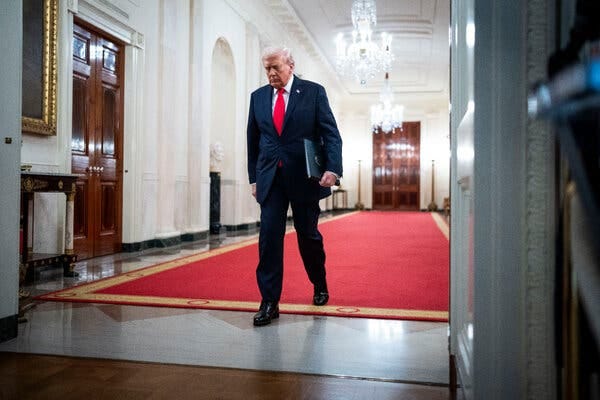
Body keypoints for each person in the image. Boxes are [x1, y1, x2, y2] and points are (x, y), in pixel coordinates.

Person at [246, 46, 343, 326]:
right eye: (267, 69)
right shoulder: (258, 97)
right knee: (269, 239)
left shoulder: (313, 92)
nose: (271, 73)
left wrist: (333, 168)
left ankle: (319, 283)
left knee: (308, 236)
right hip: (271, 179)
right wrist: (254, 178)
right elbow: (252, 141)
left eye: (276, 67)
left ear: (290, 64)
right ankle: (269, 302)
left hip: (304, 177)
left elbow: (330, 134)